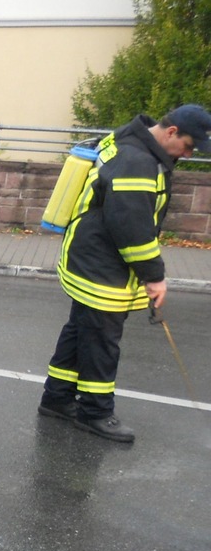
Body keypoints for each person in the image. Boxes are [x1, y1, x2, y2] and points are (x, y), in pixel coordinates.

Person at [38, 104, 211, 442]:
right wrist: (154, 276)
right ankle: (95, 413)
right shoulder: (138, 162)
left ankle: (56, 398)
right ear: (172, 131)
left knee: (79, 331)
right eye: (189, 146)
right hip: (101, 267)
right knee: (102, 342)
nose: (188, 154)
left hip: (87, 255)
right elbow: (133, 228)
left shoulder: (130, 139)